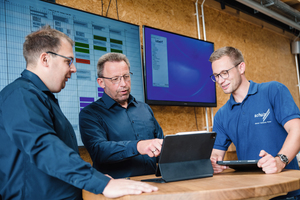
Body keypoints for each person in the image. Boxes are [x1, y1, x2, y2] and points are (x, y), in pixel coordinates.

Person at [0, 25, 158, 200]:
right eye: (68, 61)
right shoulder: (20, 95)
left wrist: (97, 177)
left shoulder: (42, 98)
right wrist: (102, 183)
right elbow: (44, 147)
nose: (73, 68)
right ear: (45, 59)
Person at [209, 46, 300, 199]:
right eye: (216, 76)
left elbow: (297, 130)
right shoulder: (222, 115)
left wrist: (280, 161)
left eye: (224, 73)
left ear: (241, 67)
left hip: (287, 193)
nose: (220, 81)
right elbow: (216, 154)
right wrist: (214, 163)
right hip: (251, 194)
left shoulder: (273, 91)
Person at [79, 52, 164, 179]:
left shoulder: (144, 108)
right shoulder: (90, 114)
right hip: (119, 190)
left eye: (126, 76)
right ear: (101, 82)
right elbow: (99, 150)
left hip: (154, 186)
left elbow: (161, 145)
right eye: (115, 79)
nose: (123, 83)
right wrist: (138, 146)